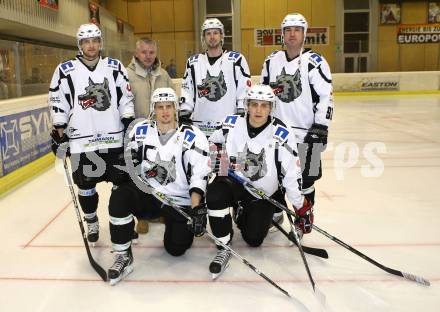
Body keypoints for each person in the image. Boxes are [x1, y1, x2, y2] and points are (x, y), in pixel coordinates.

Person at [206, 84, 312, 278]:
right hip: (234, 182)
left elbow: (291, 174)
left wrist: (301, 207)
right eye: (254, 104)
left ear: (271, 108)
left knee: (254, 239)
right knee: (214, 194)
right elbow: (213, 141)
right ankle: (223, 245)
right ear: (247, 105)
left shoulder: (282, 132)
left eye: (264, 106)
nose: (258, 110)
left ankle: (246, 211)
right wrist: (218, 163)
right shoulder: (231, 123)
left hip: (262, 192)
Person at [107, 87, 211, 285]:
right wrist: (126, 167)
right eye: (160, 107)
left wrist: (197, 207)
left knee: (176, 249)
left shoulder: (193, 135)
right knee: (119, 196)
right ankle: (123, 256)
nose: (164, 112)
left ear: (175, 109)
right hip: (150, 195)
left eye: (169, 107)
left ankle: (173, 226)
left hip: (178, 201)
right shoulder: (140, 130)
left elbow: (199, 174)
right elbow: (130, 163)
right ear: (153, 109)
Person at [49, 23, 135, 246]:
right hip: (81, 141)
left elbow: (125, 96)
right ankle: (92, 221)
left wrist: (127, 120)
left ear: (100, 43)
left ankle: (122, 222)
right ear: (80, 44)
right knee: (86, 188)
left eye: (95, 40)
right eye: (86, 42)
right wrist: (60, 129)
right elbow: (58, 100)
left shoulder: (114, 66)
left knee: (122, 184)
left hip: (113, 138)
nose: (91, 45)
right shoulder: (65, 70)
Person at [260, 13, 333, 231]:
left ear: (304, 33)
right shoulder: (272, 61)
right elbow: (264, 95)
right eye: (288, 30)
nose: (292, 34)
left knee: (307, 180)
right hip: (278, 134)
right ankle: (276, 214)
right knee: (275, 176)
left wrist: (321, 128)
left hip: (310, 134)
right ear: (282, 34)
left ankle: (305, 218)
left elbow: (326, 96)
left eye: (297, 30)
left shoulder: (315, 61)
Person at [126, 37, 174, 234]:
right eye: (144, 52)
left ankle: (159, 211)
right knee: (139, 177)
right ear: (137, 53)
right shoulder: (126, 75)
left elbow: (173, 104)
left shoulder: (163, 75)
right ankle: (142, 216)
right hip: (137, 135)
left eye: (151, 52)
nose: (148, 56)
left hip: (161, 133)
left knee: (160, 173)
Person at [179, 18, 252, 138]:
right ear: (203, 37)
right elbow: (187, 90)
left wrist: (241, 113)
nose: (212, 37)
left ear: (222, 35)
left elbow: (244, 90)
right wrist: (184, 114)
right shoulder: (193, 62)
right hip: (200, 126)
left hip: (228, 127)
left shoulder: (236, 60)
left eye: (215, 33)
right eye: (208, 33)